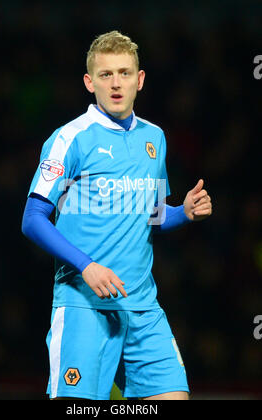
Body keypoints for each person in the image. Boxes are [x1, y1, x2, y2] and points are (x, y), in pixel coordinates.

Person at [22, 30, 212, 400]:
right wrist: (86, 265)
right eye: (106, 74)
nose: (116, 83)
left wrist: (184, 213)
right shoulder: (70, 138)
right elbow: (32, 218)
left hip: (142, 307)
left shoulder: (155, 138)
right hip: (83, 306)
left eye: (124, 73)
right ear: (89, 82)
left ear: (139, 80)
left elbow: (153, 214)